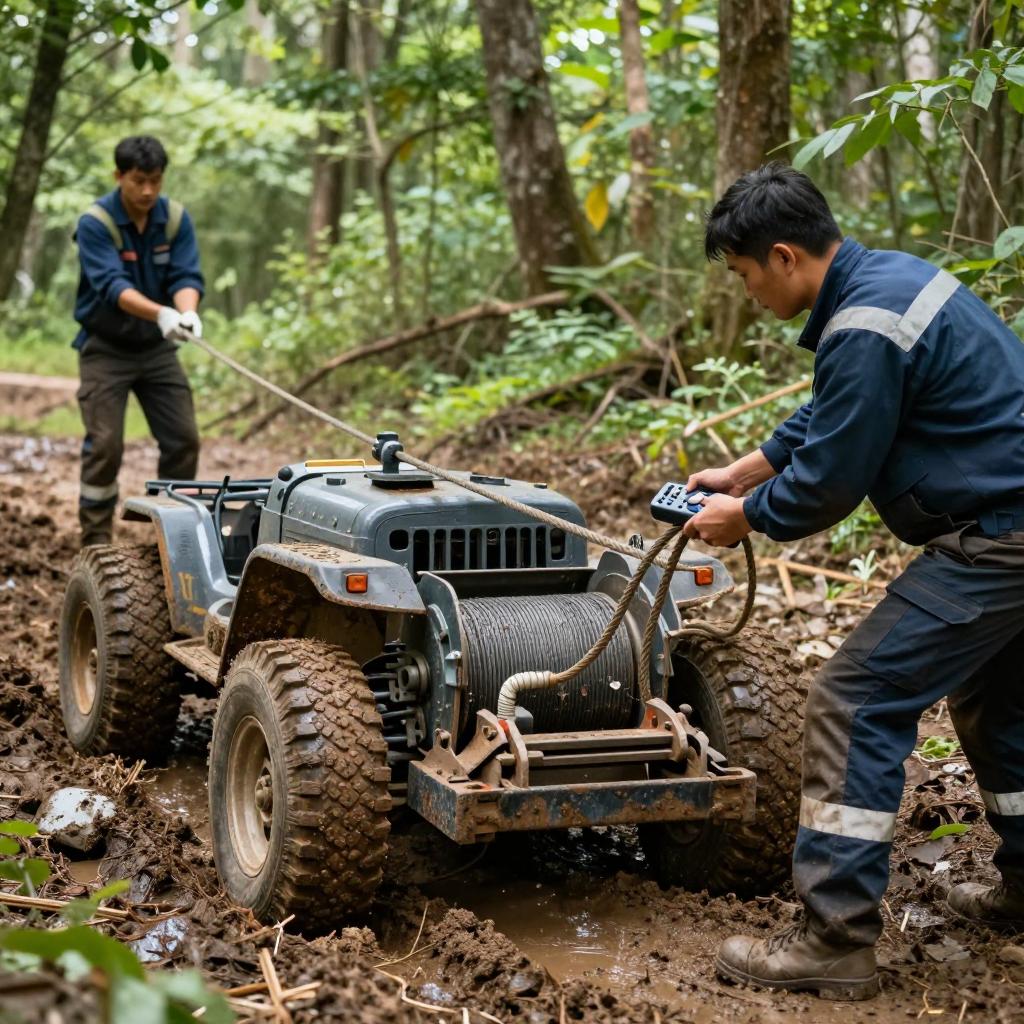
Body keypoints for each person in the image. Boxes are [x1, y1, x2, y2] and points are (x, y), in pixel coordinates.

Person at [682, 162, 1024, 1001]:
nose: (748, 293)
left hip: (999, 543)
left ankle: (833, 938)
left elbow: (833, 477)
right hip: (1011, 527)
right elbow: (831, 413)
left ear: (786, 256)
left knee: (855, 698)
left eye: (744, 274)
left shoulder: (865, 324)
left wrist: (748, 516)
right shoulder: (887, 287)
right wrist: (748, 467)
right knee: (997, 699)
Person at [73, 135, 204, 547]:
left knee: (183, 439)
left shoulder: (176, 220)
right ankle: (95, 543)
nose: (148, 191)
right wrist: (161, 313)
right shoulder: (95, 223)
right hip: (106, 349)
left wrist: (186, 311)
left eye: (156, 181)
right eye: (139, 180)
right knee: (106, 445)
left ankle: (166, 543)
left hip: (157, 349)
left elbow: (186, 276)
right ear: (120, 176)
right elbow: (111, 286)